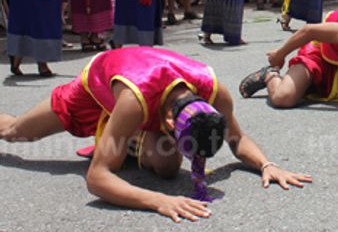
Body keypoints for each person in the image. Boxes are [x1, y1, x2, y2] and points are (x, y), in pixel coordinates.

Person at [0, 47, 311, 222]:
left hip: (149, 92)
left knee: (166, 168)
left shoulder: (214, 93)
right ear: (169, 123)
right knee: (16, 132)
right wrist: (158, 201)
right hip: (99, 86)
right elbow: (97, 178)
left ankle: (128, 139)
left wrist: (267, 164)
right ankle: (125, 137)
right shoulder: (134, 102)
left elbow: (237, 139)